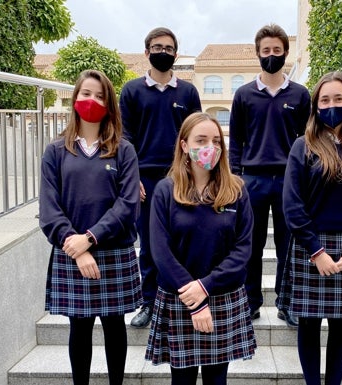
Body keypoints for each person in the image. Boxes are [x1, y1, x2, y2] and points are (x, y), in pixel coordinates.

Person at [279, 70, 342, 385]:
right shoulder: (302, 147)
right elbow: (292, 206)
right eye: (324, 100)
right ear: (315, 106)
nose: (331, 105)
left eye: (339, 99)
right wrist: (316, 251)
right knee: (308, 325)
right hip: (312, 249)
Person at [39, 69, 142, 385]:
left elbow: (127, 204)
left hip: (114, 250)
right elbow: (49, 208)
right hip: (72, 253)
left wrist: (91, 238)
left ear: (110, 104)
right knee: (79, 328)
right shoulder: (56, 151)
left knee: (115, 327)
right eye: (86, 93)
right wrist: (75, 244)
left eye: (100, 96)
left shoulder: (123, 150)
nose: (92, 100)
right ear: (75, 99)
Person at [145, 112, 256, 385]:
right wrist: (194, 298)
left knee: (217, 380)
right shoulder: (165, 190)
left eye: (216, 141)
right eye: (201, 140)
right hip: (180, 298)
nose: (211, 147)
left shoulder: (237, 190)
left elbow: (243, 250)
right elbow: (160, 251)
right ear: (184, 145)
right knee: (181, 381)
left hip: (223, 297)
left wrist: (206, 286)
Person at [228, 24, 311, 327]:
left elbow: (308, 140)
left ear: (285, 54)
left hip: (290, 180)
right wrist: (235, 176)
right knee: (251, 243)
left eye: (277, 51)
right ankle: (250, 302)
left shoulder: (301, 95)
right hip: (253, 179)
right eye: (266, 51)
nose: (271, 56)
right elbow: (235, 139)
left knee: (289, 243)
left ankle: (286, 302)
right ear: (258, 54)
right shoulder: (244, 95)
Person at [119, 27, 202, 328]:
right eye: (157, 47)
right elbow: (124, 138)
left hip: (183, 177)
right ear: (146, 52)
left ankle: (184, 298)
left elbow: (198, 134)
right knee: (151, 244)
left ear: (176, 54)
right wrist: (132, 177)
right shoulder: (131, 91)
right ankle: (149, 302)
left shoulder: (188, 92)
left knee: (183, 240)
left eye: (168, 48)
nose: (163, 52)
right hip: (146, 180)